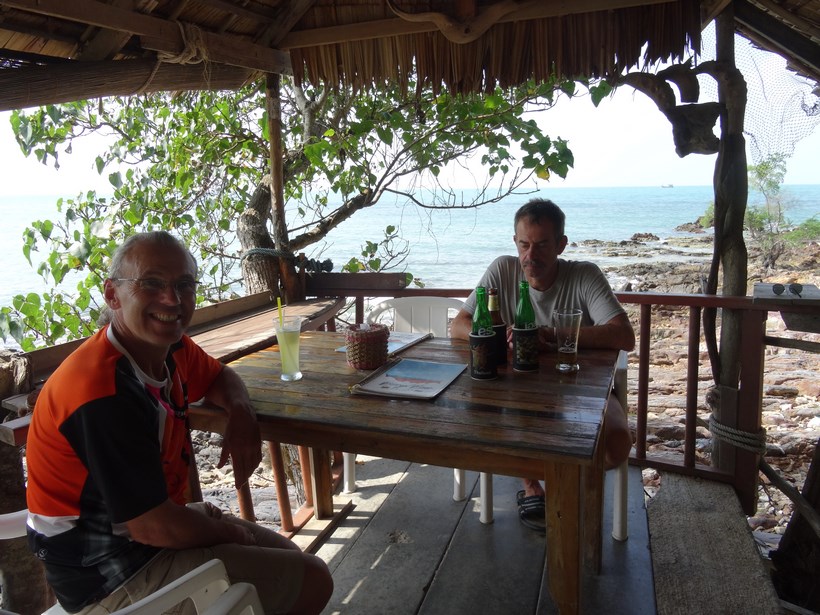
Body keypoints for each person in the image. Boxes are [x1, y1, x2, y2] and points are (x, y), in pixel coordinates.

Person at [25, 231, 333, 614]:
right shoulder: (102, 393)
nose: (172, 299)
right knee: (313, 580)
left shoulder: (169, 348)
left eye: (184, 284)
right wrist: (229, 532)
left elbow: (220, 376)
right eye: (151, 283)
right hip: (108, 576)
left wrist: (241, 414)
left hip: (149, 532)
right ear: (112, 295)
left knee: (292, 556)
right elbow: (153, 526)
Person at [451, 199, 635, 532]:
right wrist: (502, 333)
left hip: (581, 388)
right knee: (484, 423)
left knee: (618, 442)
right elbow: (459, 324)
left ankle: (566, 478)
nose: (530, 255)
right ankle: (532, 485)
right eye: (524, 244)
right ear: (515, 242)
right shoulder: (502, 270)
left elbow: (624, 335)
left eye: (542, 245)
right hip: (516, 390)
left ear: (561, 245)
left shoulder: (584, 275)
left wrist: (550, 334)